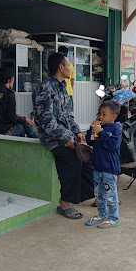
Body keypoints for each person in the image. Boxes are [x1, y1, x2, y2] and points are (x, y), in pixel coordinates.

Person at [35, 52, 93, 219]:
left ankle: (79, 197)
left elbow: (68, 115)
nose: (71, 68)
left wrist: (78, 133)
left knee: (89, 157)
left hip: (66, 135)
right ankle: (65, 203)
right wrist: (67, 139)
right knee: (72, 159)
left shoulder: (62, 87)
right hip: (52, 138)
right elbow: (47, 121)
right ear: (61, 67)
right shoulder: (45, 87)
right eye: (69, 64)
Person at [84, 101, 122, 229]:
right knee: (99, 195)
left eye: (104, 114)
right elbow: (90, 141)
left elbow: (112, 146)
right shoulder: (100, 127)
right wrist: (91, 131)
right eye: (100, 114)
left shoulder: (116, 128)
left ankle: (113, 218)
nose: (101, 116)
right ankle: (102, 215)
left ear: (113, 116)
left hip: (109, 170)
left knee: (110, 195)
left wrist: (101, 133)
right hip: (97, 167)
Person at [0, 68, 37, 138]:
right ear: (10, 80)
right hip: (1, 132)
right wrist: (25, 119)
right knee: (22, 126)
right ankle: (37, 140)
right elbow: (12, 117)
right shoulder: (9, 94)